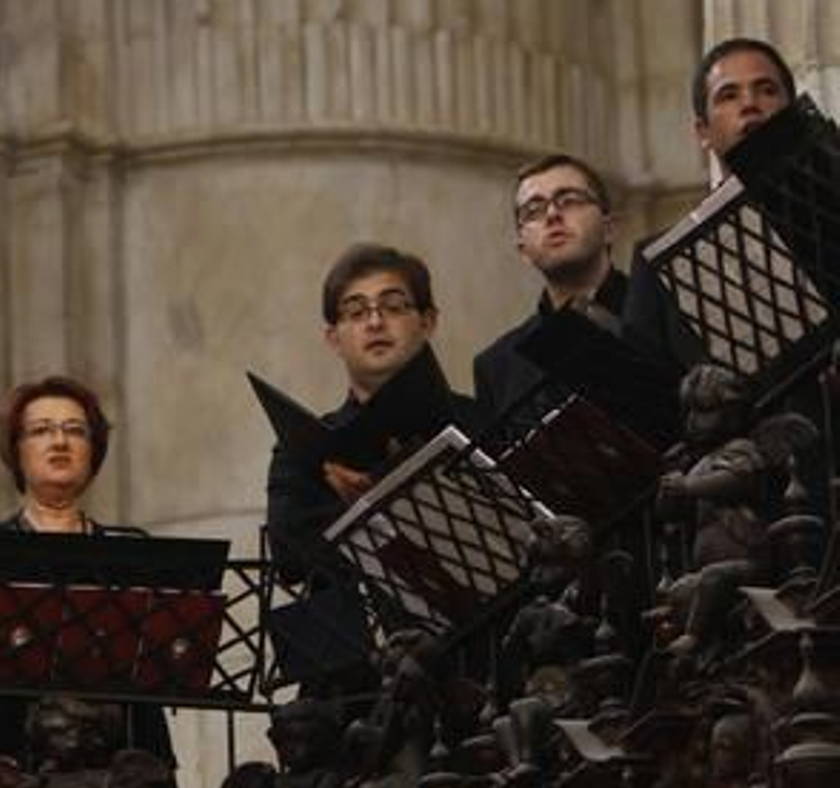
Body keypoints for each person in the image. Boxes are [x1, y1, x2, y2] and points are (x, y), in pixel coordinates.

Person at [0, 375, 183, 788]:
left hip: (125, 766)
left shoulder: (133, 552)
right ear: (16, 450)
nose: (59, 441)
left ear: (94, 449)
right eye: (41, 430)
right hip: (11, 764)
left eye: (74, 430)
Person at [264, 244, 483, 687]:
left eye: (393, 306)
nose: (375, 321)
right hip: (358, 684)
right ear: (333, 337)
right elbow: (292, 551)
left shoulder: (475, 420)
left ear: (428, 321)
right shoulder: (303, 448)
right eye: (355, 311)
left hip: (477, 660)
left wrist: (367, 501)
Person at [623, 37, 797, 368]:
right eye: (728, 96)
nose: (750, 104)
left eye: (767, 90)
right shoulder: (659, 262)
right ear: (702, 131)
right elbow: (645, 398)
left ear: (791, 108)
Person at [473, 154, 628, 422]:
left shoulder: (660, 313)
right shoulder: (498, 365)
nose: (553, 215)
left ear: (609, 228)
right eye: (533, 211)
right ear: (523, 250)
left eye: (569, 201)